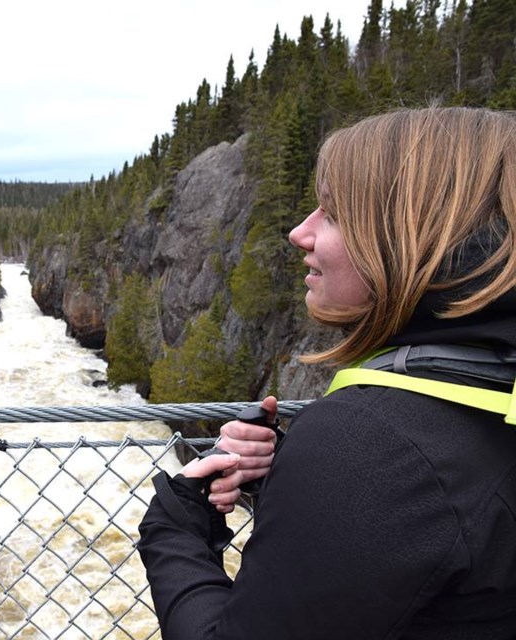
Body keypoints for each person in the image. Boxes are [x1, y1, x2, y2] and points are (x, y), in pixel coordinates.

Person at [137, 107, 516, 639]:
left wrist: (175, 529)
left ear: (419, 234)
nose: (300, 232)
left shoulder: (370, 444)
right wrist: (293, 478)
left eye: (335, 214)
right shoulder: (487, 391)